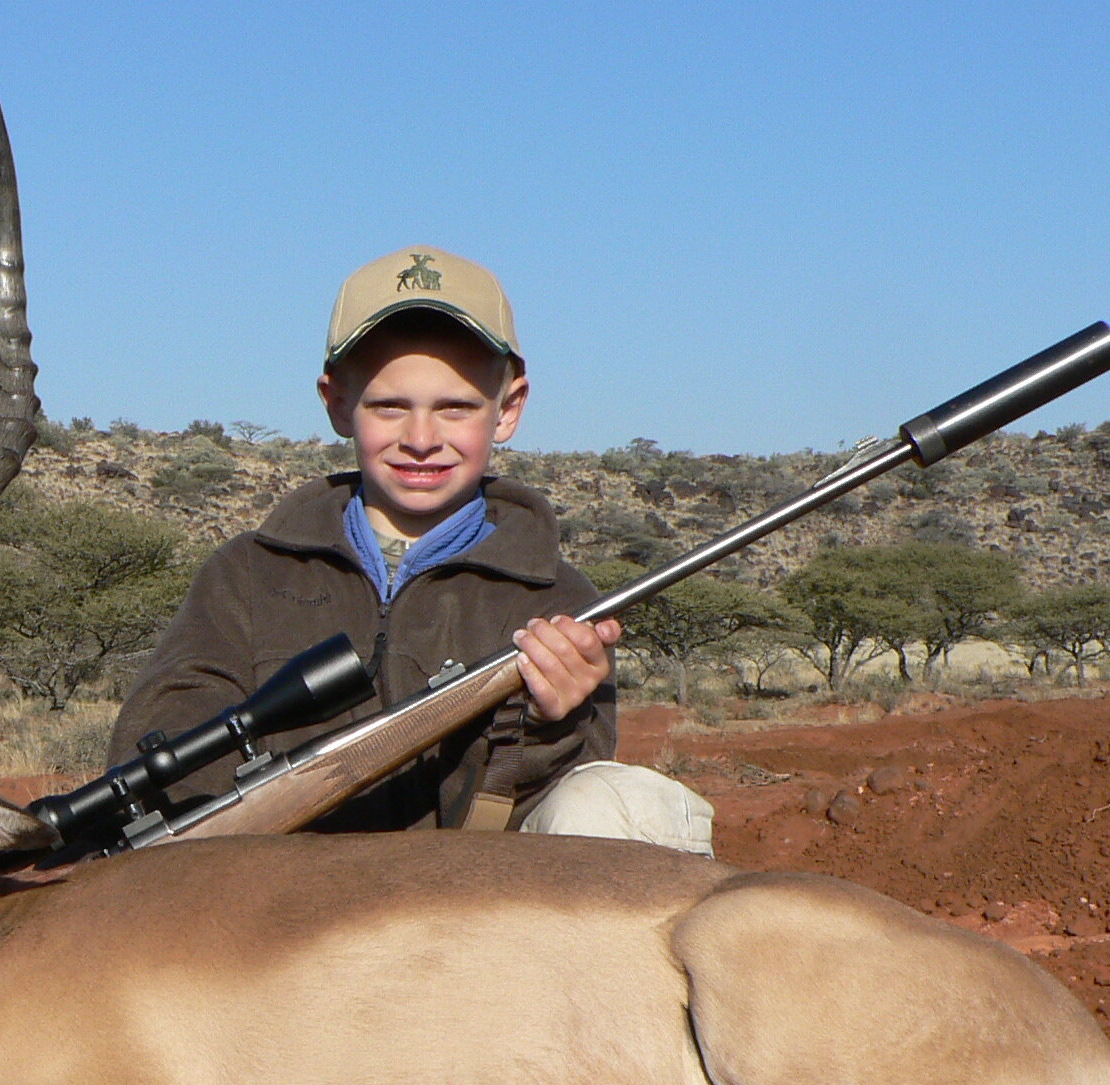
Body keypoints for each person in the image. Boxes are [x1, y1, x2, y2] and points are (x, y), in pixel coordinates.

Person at [111, 246, 711, 846]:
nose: (421, 439)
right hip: (282, 899)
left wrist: (548, 723)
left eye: (456, 408)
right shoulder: (246, 574)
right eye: (390, 406)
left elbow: (547, 798)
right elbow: (164, 739)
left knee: (627, 805)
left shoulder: (560, 598)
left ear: (508, 409)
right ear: (338, 404)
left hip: (470, 901)